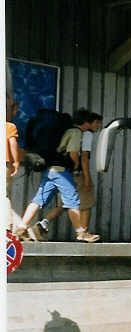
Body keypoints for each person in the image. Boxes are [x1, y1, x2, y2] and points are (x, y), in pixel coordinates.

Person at [15, 109, 100, 243]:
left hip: (50, 169)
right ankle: (81, 233)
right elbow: (73, 153)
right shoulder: (76, 132)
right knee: (73, 201)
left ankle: (20, 229)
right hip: (60, 171)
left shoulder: (63, 130)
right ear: (86, 122)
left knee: (38, 200)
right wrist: (75, 165)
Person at [6, 98, 23, 232]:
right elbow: (13, 144)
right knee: (4, 195)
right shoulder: (9, 126)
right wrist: (16, 162)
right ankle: (7, 226)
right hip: (5, 163)